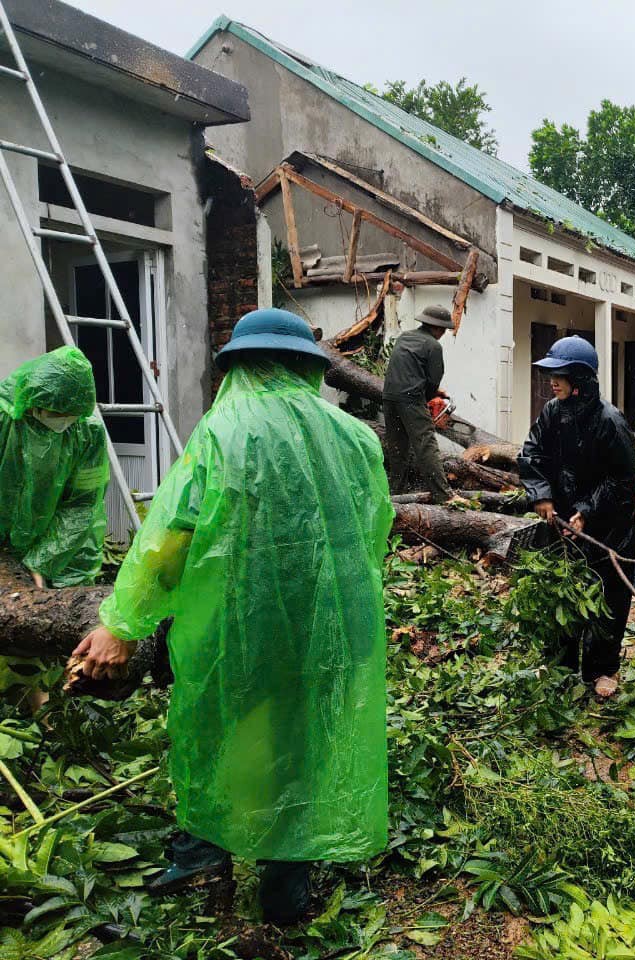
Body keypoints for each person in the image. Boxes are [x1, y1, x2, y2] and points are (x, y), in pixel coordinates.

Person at [71, 308, 394, 924]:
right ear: (309, 369)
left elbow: (172, 537)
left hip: (244, 625)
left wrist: (124, 621)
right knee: (306, 740)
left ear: (238, 367)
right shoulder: (355, 437)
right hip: (336, 624)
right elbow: (376, 532)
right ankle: (284, 894)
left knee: (217, 728)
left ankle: (201, 853)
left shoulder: (226, 430)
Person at [519, 335, 635, 698]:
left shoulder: (610, 420)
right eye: (551, 374)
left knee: (607, 600)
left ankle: (604, 669)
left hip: (607, 528)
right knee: (566, 593)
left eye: (561, 375)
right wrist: (541, 495)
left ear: (581, 379)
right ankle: (562, 665)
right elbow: (531, 454)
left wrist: (587, 511)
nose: (552, 381)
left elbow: (623, 480)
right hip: (563, 524)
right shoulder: (552, 412)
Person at [0, 346, 109, 588]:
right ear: (33, 401)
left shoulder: (87, 432)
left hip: (64, 554)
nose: (64, 420)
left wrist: (40, 562)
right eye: (57, 412)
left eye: (72, 414)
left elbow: (82, 504)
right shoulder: (5, 420)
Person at [382, 306, 455, 500]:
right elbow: (433, 381)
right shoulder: (433, 345)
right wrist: (431, 396)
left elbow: (406, 369)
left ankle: (395, 494)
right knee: (426, 444)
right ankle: (444, 495)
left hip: (389, 396)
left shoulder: (404, 337)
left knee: (397, 448)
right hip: (411, 399)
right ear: (439, 328)